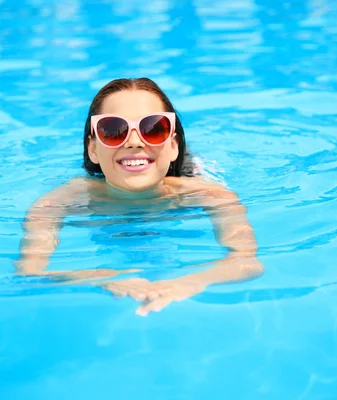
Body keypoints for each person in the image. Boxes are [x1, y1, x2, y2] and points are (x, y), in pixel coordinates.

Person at [15, 77, 263, 316]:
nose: (134, 141)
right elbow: (30, 271)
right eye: (113, 130)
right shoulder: (55, 204)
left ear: (174, 146)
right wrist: (100, 277)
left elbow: (247, 262)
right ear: (93, 149)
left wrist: (188, 283)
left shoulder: (211, 195)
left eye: (154, 128)